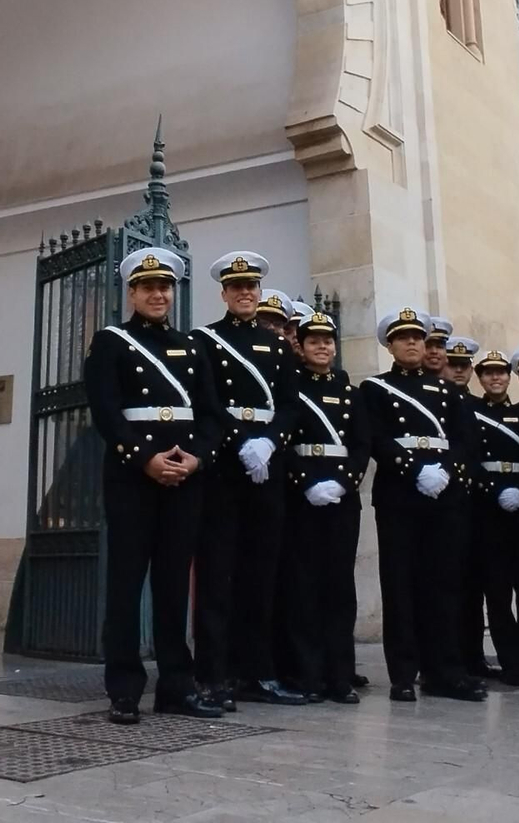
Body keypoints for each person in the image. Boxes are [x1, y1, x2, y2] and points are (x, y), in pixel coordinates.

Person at [84, 246, 224, 723]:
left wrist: (197, 459)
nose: (158, 294)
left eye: (165, 287)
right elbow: (106, 411)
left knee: (172, 585)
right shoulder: (111, 342)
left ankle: (176, 686)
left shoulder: (191, 346)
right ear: (132, 293)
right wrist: (145, 458)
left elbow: (210, 414)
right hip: (132, 479)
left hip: (184, 478)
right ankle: (124, 687)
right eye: (149, 287)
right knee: (126, 583)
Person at [191, 254, 307, 709]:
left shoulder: (277, 346)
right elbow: (207, 401)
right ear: (223, 293)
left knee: (261, 574)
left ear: (259, 292)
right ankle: (213, 674)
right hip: (224, 466)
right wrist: (243, 441)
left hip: (267, 468)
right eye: (236, 286)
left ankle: (257, 672)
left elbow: (291, 405)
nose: (244, 293)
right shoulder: (205, 341)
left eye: (251, 286)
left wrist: (270, 442)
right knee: (217, 575)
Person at [361, 307, 485, 702]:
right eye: (404, 338)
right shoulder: (376, 389)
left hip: (445, 494)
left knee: (444, 583)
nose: (413, 343)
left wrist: (445, 470)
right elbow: (376, 439)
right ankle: (402, 673)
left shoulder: (448, 391)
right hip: (400, 492)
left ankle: (445, 670)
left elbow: (467, 441)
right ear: (391, 346)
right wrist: (414, 469)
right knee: (400, 583)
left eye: (419, 338)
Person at [281, 310, 369, 704]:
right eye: (313, 340)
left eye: (328, 340)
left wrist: (345, 482)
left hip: (341, 499)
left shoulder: (351, 392)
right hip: (302, 497)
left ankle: (339, 675)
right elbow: (282, 440)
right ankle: (307, 674)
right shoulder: (289, 386)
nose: (322, 346)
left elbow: (362, 445)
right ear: (300, 344)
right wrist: (305, 482)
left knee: (339, 587)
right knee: (303, 587)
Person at [463, 346, 519, 686]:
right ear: (481, 379)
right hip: (489, 511)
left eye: (501, 372)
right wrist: (492, 489)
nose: (496, 378)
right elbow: (469, 459)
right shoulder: (472, 414)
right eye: (489, 374)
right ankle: (511, 663)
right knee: (497, 594)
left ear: (509, 377)